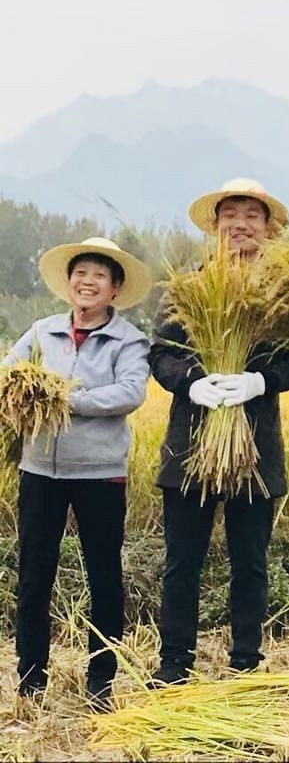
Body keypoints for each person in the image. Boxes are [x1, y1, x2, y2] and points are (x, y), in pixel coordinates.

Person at [149, 178, 289, 685]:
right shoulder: (188, 287)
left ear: (267, 228)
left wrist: (260, 381)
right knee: (182, 562)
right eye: (230, 215)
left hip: (255, 446)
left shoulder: (284, 296)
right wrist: (193, 383)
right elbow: (160, 353)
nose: (240, 224)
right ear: (215, 225)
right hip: (192, 446)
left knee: (250, 562)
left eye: (252, 215)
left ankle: (245, 662)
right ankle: (175, 662)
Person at [6, 238, 152, 710]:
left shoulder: (128, 340)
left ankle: (101, 681)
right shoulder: (41, 332)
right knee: (33, 576)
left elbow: (129, 392)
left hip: (100, 474)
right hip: (40, 469)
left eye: (98, 276)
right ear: (68, 283)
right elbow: (12, 375)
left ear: (115, 288)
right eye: (80, 273)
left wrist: (65, 398)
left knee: (104, 576)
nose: (87, 282)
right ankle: (30, 682)